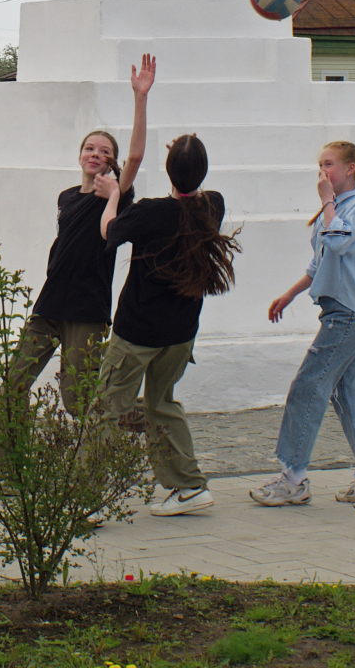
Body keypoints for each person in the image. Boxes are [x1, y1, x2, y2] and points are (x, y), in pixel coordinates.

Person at [97, 132, 241, 517]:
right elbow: (193, 193)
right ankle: (189, 486)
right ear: (203, 173)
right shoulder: (212, 206)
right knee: (161, 404)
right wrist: (186, 162)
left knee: (108, 408)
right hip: (180, 334)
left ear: (168, 171)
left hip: (137, 331)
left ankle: (88, 495)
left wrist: (112, 194)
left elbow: (108, 231)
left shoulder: (149, 212)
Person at [8, 54, 154, 413]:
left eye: (104, 152)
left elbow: (134, 157)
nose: (95, 154)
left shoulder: (116, 194)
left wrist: (140, 97)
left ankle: (132, 427)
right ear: (79, 156)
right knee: (12, 387)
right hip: (50, 303)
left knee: (78, 402)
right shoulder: (67, 197)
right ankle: (9, 465)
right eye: (90, 148)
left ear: (111, 162)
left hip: (86, 310)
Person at [249, 140, 355, 507]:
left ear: (350, 169)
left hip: (349, 314)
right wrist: (290, 294)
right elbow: (321, 262)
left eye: (329, 164)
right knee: (350, 396)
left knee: (308, 386)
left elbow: (338, 242)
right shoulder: (339, 207)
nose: (322, 172)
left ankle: (293, 478)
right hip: (343, 311)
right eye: (321, 165)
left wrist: (327, 201)